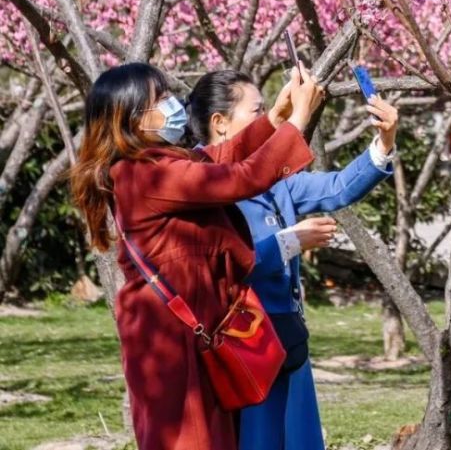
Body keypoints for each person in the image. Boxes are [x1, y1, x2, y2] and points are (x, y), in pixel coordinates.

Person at [69, 62, 322, 450]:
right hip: (169, 338)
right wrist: (300, 119)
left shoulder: (161, 162)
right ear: (132, 116)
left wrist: (274, 119)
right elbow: (238, 179)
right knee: (191, 439)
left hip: (192, 326)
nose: (173, 104)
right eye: (161, 98)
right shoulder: (144, 174)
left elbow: (221, 160)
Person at [187, 69, 399, 450]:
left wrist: (383, 143)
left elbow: (338, 188)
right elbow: (221, 265)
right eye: (258, 111)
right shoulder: (197, 183)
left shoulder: (270, 180)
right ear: (220, 123)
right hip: (243, 347)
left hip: (288, 338)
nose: (270, 118)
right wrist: (289, 242)